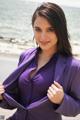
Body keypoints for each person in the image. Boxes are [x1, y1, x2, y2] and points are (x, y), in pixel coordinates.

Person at [0, 2, 80, 120]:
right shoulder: (25, 56)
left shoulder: (73, 66)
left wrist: (62, 99)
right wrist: (2, 96)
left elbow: (77, 108)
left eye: (50, 29)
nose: (42, 36)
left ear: (60, 30)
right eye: (38, 29)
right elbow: (17, 98)